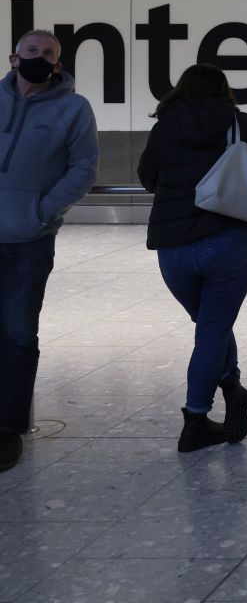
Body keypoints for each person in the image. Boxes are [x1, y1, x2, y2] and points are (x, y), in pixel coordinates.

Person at [137, 63, 247, 453]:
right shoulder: (239, 123)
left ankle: (233, 387)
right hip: (228, 239)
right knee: (212, 330)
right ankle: (195, 420)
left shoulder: (163, 126)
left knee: (210, 325)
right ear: (223, 89)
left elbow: (148, 179)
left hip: (173, 249)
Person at [0, 29, 99, 473]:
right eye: (31, 51)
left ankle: (8, 430)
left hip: (30, 242)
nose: (39, 58)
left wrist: (42, 211)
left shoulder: (73, 109)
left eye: (48, 54)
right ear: (13, 58)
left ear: (58, 66)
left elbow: (84, 168)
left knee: (19, 335)